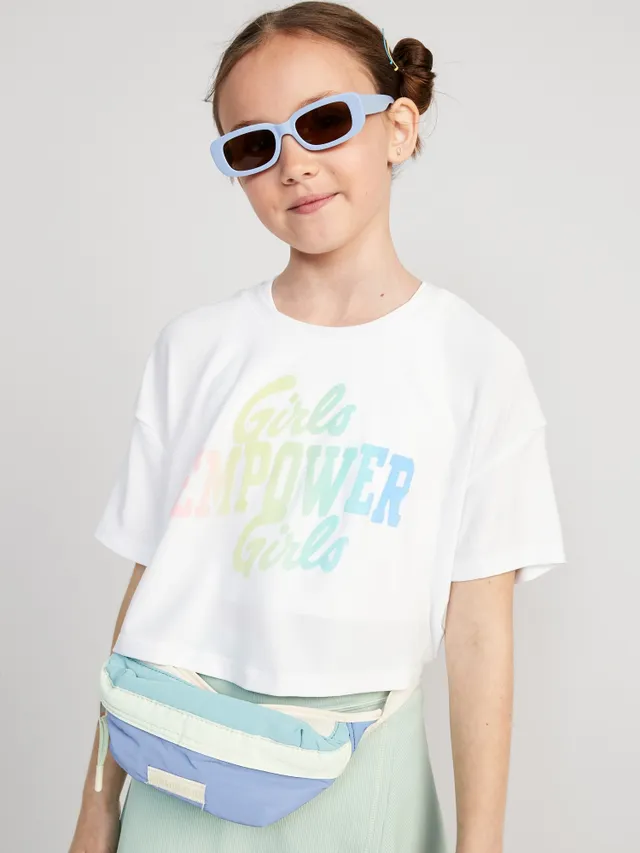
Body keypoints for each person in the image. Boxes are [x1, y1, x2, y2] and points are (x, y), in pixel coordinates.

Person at [69, 2, 567, 852]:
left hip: (363, 775)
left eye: (325, 121)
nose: (293, 164)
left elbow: (480, 632)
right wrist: (95, 812)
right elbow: (148, 600)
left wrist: (482, 844)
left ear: (398, 128)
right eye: (253, 145)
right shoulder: (196, 349)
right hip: (175, 762)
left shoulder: (475, 362)